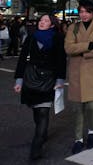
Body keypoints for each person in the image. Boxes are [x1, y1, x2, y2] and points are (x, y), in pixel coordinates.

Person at [13, 15, 66, 160]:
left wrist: (60, 80)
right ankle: (42, 133)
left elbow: (61, 60)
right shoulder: (31, 37)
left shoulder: (58, 38)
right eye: (41, 20)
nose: (42, 23)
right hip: (31, 78)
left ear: (52, 25)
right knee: (36, 113)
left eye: (46, 21)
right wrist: (19, 81)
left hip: (49, 79)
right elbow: (22, 59)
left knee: (43, 112)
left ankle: (36, 146)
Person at [64, 0, 93, 154]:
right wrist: (89, 45)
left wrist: (82, 51)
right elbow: (68, 48)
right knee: (77, 108)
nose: (83, 14)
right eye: (81, 11)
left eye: (87, 11)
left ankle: (92, 132)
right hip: (76, 72)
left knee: (92, 106)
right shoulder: (73, 27)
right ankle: (78, 139)